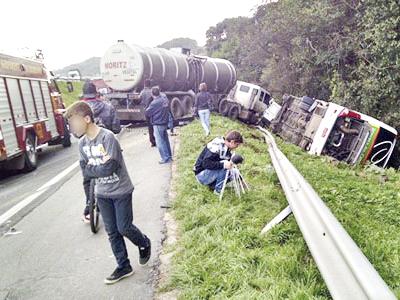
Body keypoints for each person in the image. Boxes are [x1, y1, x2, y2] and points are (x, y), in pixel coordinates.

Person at [65, 101, 151, 285]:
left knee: (124, 227)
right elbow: (85, 174)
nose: (72, 128)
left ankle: (144, 242)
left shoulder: (108, 137)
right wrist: (89, 204)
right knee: (112, 232)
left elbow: (110, 167)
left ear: (87, 119)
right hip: (102, 194)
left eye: (75, 122)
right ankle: (123, 266)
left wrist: (92, 169)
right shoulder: (82, 144)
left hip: (121, 190)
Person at [145, 87, 173, 164]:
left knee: (160, 142)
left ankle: (165, 158)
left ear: (152, 94)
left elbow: (147, 113)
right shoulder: (165, 100)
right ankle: (169, 156)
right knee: (166, 141)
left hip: (158, 123)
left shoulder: (154, 103)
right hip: (164, 122)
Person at [140, 79, 156, 147]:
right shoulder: (151, 92)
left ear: (144, 84)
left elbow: (139, 99)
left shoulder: (142, 92)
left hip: (146, 111)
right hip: (153, 111)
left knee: (150, 127)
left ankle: (152, 141)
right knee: (155, 125)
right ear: (150, 85)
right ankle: (157, 139)